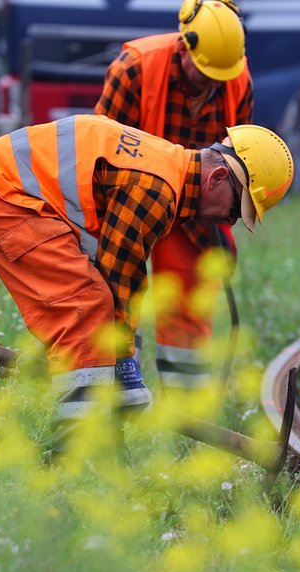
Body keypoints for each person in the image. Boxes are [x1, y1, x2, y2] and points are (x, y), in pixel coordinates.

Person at [0, 114, 293, 447]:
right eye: (235, 209)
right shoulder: (157, 189)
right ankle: (73, 455)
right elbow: (119, 279)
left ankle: (96, 446)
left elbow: (115, 273)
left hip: (2, 188)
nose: (229, 222)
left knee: (88, 308)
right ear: (217, 178)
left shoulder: (168, 172)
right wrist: (126, 373)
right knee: (85, 306)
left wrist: (117, 368)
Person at [94, 0, 253, 390]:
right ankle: (116, 386)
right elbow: (97, 149)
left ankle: (185, 409)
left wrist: (223, 227)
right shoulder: (134, 70)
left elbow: (240, 163)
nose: (211, 84)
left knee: (188, 310)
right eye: (203, 74)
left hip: (194, 212)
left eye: (218, 78)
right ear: (184, 47)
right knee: (115, 295)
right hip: (126, 203)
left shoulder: (234, 76)